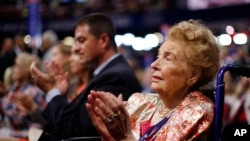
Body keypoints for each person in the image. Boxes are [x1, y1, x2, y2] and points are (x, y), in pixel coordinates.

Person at [86, 19, 220, 141]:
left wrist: (126, 137)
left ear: (193, 75)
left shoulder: (198, 110)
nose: (154, 65)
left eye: (168, 58)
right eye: (158, 56)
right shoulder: (139, 101)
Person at [30, 13, 142, 140]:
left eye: (81, 40)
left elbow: (74, 130)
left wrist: (52, 91)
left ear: (104, 41)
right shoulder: (106, 73)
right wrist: (61, 94)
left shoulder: (115, 76)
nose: (76, 48)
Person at [1, 52, 46, 139]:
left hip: (27, 135)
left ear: (26, 69)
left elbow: (20, 120)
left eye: (17, 66)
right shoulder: (14, 88)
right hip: (11, 133)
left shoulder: (34, 91)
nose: (13, 69)